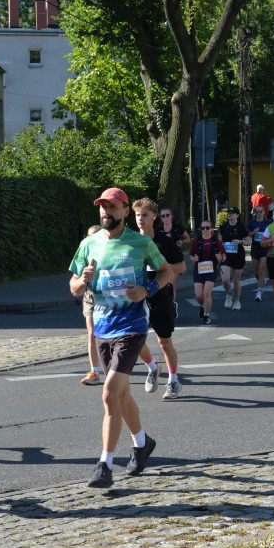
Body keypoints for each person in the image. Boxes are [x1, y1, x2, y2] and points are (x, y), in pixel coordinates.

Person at [68, 187, 172, 489]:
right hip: (102, 328)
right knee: (122, 395)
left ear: (125, 211)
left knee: (109, 393)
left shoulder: (141, 243)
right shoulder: (89, 244)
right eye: (103, 207)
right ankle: (142, 443)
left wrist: (147, 289)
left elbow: (166, 271)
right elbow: (73, 286)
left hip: (132, 326)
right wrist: (82, 281)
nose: (106, 212)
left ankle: (105, 464)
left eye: (113, 207)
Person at [133, 198, 186, 400]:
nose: (140, 218)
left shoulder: (164, 241)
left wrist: (163, 269)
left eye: (145, 215)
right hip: (136, 296)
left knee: (164, 342)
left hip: (159, 295)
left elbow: (181, 267)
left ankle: (173, 380)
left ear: (154, 216)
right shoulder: (130, 241)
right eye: (138, 215)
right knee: (133, 339)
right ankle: (153, 367)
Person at [80, 225, 104, 385]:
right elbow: (75, 280)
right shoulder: (84, 253)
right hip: (90, 295)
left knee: (120, 335)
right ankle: (94, 372)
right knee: (92, 334)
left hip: (108, 297)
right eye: (89, 237)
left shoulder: (110, 252)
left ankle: (151, 365)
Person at [190, 219, 224, 324]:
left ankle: (206, 315)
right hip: (199, 269)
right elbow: (191, 255)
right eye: (203, 228)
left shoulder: (216, 241)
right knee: (198, 295)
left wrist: (221, 257)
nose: (205, 230)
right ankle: (202, 306)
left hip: (211, 269)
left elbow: (223, 255)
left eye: (207, 228)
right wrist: (193, 258)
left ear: (211, 229)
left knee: (207, 293)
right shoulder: (197, 241)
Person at [219, 207, 250, 310]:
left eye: (232, 213)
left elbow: (248, 242)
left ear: (237, 215)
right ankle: (229, 294)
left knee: (236, 280)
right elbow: (219, 240)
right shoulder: (223, 227)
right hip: (226, 256)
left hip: (238, 255)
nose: (230, 214)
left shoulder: (241, 227)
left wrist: (240, 242)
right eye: (229, 213)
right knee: (225, 280)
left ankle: (236, 300)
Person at [247, 206, 272, 302]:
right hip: (255, 247)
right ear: (255, 213)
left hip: (265, 248)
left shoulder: (268, 223)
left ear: (264, 212)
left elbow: (272, 233)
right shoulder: (252, 223)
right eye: (257, 212)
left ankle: (259, 293)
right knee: (256, 272)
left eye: (261, 211)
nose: (259, 213)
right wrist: (253, 232)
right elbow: (246, 234)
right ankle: (262, 281)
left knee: (262, 270)